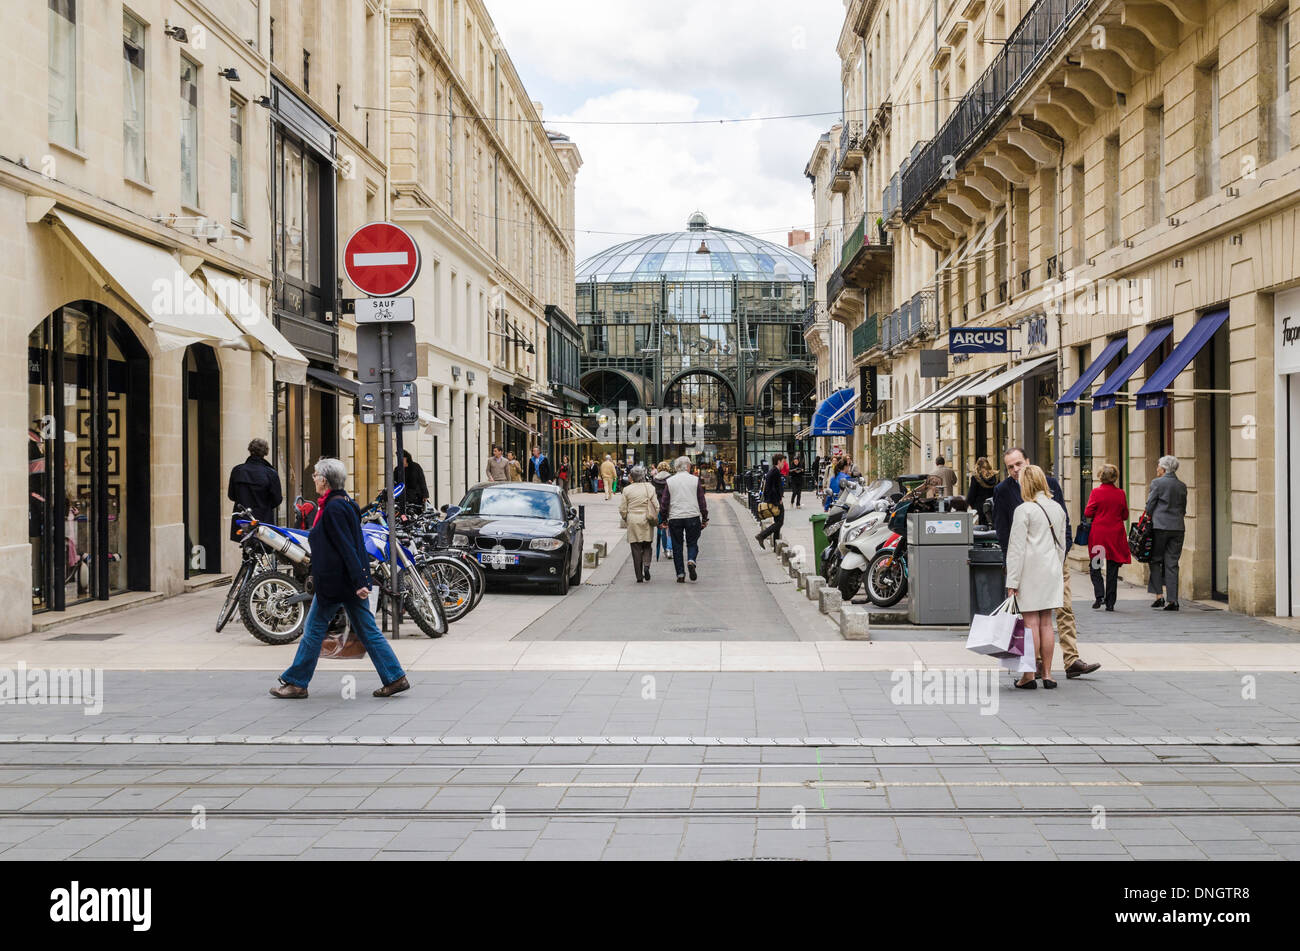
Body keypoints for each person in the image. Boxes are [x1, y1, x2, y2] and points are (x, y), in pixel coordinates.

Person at [270, 458, 409, 700]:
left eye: (315, 475)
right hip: (345, 582)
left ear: (324, 480)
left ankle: (296, 682)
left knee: (313, 630)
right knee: (367, 630)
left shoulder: (334, 508)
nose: (313, 478)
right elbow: (352, 543)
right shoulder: (345, 503)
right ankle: (395, 676)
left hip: (336, 583)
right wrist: (360, 581)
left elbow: (347, 547)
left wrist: (360, 582)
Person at [994, 447, 1100, 679]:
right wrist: (1010, 565)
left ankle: (1070, 659)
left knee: (1062, 609)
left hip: (1052, 561)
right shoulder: (1003, 490)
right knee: (1036, 618)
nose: (1015, 470)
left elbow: (1064, 523)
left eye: (1018, 464)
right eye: (1010, 466)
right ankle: (1041, 666)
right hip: (1026, 563)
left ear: (1028, 462)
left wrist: (1061, 555)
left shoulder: (1049, 483)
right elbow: (1003, 532)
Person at [1004, 464, 1068, 689]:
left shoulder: (1024, 510)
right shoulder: (1058, 509)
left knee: (1030, 623)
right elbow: (1062, 545)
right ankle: (1049, 675)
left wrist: (1012, 581)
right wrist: (1055, 566)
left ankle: (1029, 675)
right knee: (1046, 623)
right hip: (1051, 569)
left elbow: (1016, 549)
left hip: (1029, 571)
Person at [1084, 463, 1131, 611]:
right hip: (1115, 535)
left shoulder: (1096, 492)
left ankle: (1100, 596)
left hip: (1099, 534)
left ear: (1100, 476)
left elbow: (1088, 512)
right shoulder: (1121, 493)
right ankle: (1110, 602)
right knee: (1112, 568)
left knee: (1096, 566)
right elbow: (1125, 515)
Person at [1146, 454, 1188, 611]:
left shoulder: (1157, 483)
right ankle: (1173, 600)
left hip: (1160, 527)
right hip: (1177, 527)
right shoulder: (1181, 485)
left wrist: (1148, 517)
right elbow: (1183, 508)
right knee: (1172, 563)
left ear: (1163, 469)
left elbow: (1150, 505)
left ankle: (1159, 596)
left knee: (1155, 560)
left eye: (1158, 466)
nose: (1156, 469)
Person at [660, 455, 708, 583]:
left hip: (675, 517)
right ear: (687, 466)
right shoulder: (694, 480)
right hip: (692, 515)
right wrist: (705, 517)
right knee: (692, 542)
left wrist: (663, 518)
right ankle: (691, 559)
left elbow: (664, 502)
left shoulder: (670, 481)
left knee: (677, 545)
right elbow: (701, 500)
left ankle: (680, 573)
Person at [227, 438, 282, 533]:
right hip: (264, 519)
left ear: (250, 450)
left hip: (243, 519)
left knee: (246, 545)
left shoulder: (237, 470)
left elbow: (231, 496)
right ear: (265, 452)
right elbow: (277, 500)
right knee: (264, 547)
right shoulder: (271, 473)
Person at [619, 466, 659, 583]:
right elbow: (656, 506)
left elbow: (622, 509)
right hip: (646, 518)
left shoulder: (627, 490)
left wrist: (626, 517)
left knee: (636, 548)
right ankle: (647, 565)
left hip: (633, 519)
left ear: (631, 477)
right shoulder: (650, 488)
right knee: (647, 544)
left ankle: (639, 576)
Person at [754, 453, 787, 549]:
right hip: (776, 501)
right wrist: (778, 500)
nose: (784, 464)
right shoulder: (775, 472)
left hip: (774, 500)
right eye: (783, 462)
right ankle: (762, 535)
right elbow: (772, 489)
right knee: (780, 522)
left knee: (777, 523)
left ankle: (776, 546)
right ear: (778, 461)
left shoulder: (773, 471)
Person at [966, 456, 998, 526]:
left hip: (979, 507)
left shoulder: (975, 478)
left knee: (982, 527)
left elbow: (972, 493)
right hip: (992, 505)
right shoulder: (994, 477)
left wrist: (968, 503)